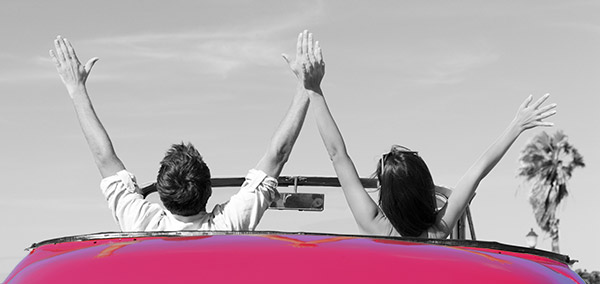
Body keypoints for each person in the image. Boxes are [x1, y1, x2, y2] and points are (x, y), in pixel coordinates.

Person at [299, 32, 556, 239]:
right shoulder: (437, 230)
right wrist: (516, 126)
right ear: (425, 188)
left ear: (385, 192)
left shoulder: (373, 225)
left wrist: (314, 91)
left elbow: (337, 155)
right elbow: (478, 171)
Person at [50, 33, 312, 231]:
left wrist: (76, 90)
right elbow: (278, 155)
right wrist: (306, 87)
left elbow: (104, 158)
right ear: (208, 191)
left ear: (163, 198)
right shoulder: (226, 226)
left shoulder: (143, 225)